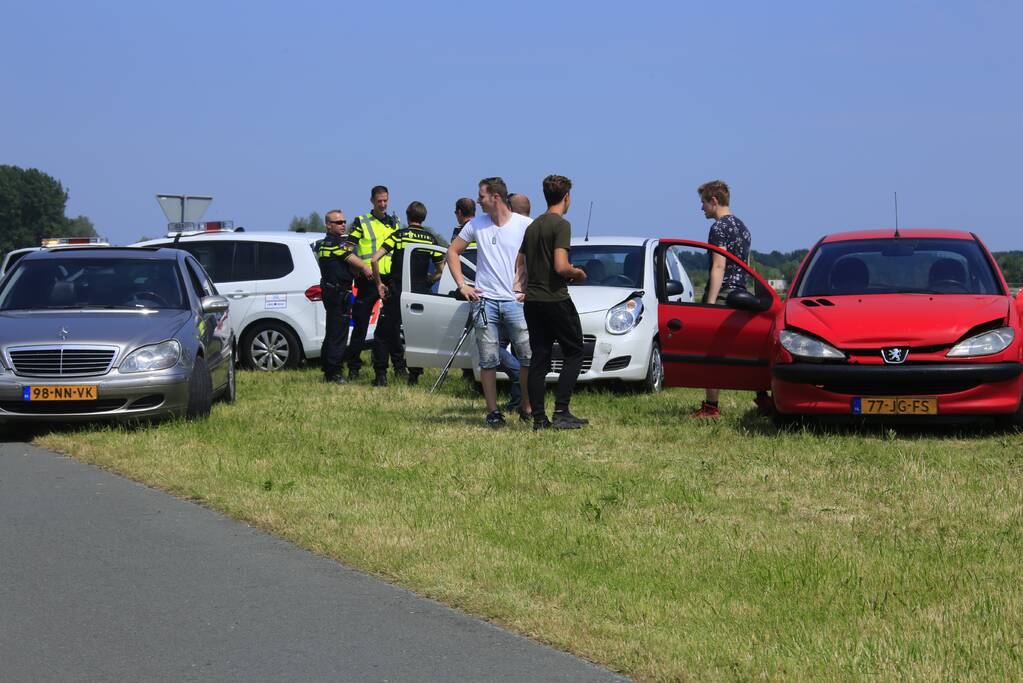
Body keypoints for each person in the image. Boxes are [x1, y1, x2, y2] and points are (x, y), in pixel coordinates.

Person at [447, 177, 533, 427]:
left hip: (516, 302)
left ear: (496, 197)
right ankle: (493, 412)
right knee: (488, 360)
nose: (478, 201)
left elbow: (541, 257)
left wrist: (531, 287)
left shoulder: (525, 225)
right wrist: (463, 285)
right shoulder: (476, 224)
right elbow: (452, 251)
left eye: (481, 196)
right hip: (485, 302)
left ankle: (527, 408)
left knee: (527, 357)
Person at [516, 175, 589, 430]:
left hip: (532, 301)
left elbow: (520, 263)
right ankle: (561, 412)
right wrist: (577, 273)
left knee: (540, 358)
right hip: (555, 299)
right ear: (566, 197)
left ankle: (539, 418)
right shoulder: (561, 225)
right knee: (575, 351)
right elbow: (560, 266)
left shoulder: (533, 226)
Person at [692, 180, 769, 417]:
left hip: (724, 293)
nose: (701, 208)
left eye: (703, 202)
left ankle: (711, 406)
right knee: (746, 347)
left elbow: (719, 266)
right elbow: (746, 265)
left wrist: (710, 304)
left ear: (714, 201)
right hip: (741, 292)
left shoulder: (718, 228)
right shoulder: (743, 228)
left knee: (711, 350)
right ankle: (763, 397)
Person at [369, 201, 446, 386]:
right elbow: (441, 270)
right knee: (417, 335)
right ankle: (414, 376)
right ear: (423, 217)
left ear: (407, 215)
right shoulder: (430, 239)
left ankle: (381, 376)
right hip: (420, 293)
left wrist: (379, 284)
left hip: (397, 291)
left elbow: (374, 259)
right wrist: (429, 281)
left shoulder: (399, 236)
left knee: (383, 334)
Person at [343, 185, 402, 383]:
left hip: (389, 279)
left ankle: (399, 367)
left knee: (393, 326)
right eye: (379, 201)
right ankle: (353, 368)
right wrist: (360, 267)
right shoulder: (361, 222)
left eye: (385, 200)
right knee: (360, 326)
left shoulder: (395, 222)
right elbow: (348, 250)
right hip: (368, 280)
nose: (383, 204)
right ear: (372, 201)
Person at [316, 210, 371, 384]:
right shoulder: (336, 243)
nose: (343, 225)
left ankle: (328, 369)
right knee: (339, 334)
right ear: (328, 225)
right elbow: (358, 264)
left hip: (330, 290)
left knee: (332, 332)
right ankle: (335, 373)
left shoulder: (323, 244)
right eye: (338, 222)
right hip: (338, 293)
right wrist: (368, 269)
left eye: (344, 221)